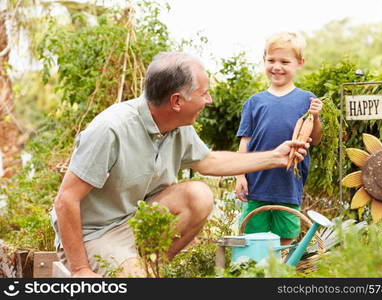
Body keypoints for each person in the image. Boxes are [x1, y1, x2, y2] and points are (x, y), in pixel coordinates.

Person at [51, 51, 311, 278]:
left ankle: (150, 269)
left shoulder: (177, 126)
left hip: (136, 220)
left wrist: (276, 157)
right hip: (97, 234)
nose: (208, 101)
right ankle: (133, 270)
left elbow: (210, 161)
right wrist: (80, 270)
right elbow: (66, 200)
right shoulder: (111, 129)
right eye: (204, 93)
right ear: (176, 101)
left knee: (198, 195)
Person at [235, 32, 323, 246]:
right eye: (271, 60)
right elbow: (245, 142)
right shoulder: (254, 102)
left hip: (289, 183)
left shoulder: (306, 99)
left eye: (284, 61)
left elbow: (316, 139)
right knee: (253, 237)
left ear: (299, 63)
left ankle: (281, 273)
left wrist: (317, 116)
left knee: (286, 237)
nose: (277, 67)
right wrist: (239, 176)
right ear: (263, 60)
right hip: (257, 182)